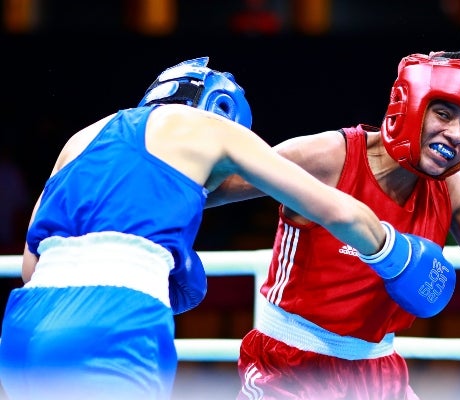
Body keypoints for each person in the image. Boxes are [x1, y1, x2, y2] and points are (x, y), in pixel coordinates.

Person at [0, 57, 436, 400]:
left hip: (24, 322)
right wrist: (395, 254)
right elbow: (337, 211)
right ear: (222, 109)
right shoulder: (212, 128)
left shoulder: (80, 139)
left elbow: (30, 267)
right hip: (115, 316)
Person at [206, 51, 460, 399]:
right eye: (443, 114)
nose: (456, 135)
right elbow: (210, 191)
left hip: (379, 372)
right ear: (411, 105)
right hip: (291, 364)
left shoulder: (454, 191)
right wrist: (187, 138)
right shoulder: (328, 157)